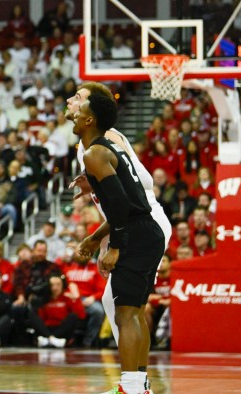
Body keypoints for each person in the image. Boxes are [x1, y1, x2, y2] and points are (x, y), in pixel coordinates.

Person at [72, 92, 165, 394]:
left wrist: (114, 247)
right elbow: (123, 201)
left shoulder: (94, 153)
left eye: (79, 108)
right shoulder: (107, 148)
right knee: (133, 312)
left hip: (136, 233)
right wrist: (95, 236)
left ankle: (131, 387)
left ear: (90, 119)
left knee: (124, 313)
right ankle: (140, 386)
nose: (73, 113)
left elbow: (120, 205)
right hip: (147, 230)